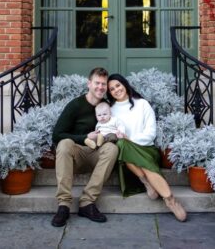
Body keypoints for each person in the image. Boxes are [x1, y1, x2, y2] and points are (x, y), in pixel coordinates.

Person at [107, 73, 187, 221]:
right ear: (109, 93)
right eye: (112, 89)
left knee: (126, 145)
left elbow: (151, 133)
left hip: (147, 150)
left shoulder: (142, 104)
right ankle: (147, 183)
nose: (116, 90)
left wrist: (130, 139)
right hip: (126, 154)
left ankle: (170, 200)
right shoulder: (111, 110)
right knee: (121, 144)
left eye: (118, 85)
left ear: (124, 84)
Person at [50, 67, 118, 226]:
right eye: (97, 83)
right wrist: (84, 137)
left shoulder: (106, 106)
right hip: (77, 155)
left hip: (96, 154)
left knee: (112, 148)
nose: (101, 87)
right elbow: (57, 134)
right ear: (89, 83)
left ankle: (87, 202)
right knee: (64, 143)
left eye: (104, 84)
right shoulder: (75, 105)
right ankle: (63, 205)